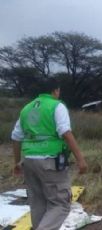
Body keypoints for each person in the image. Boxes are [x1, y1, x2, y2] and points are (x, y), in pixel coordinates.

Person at [11, 79, 87, 230]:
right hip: (49, 162)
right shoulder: (56, 106)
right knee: (60, 204)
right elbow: (65, 132)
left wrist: (17, 162)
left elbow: (15, 136)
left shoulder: (26, 108)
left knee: (38, 203)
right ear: (55, 91)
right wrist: (81, 159)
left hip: (29, 162)